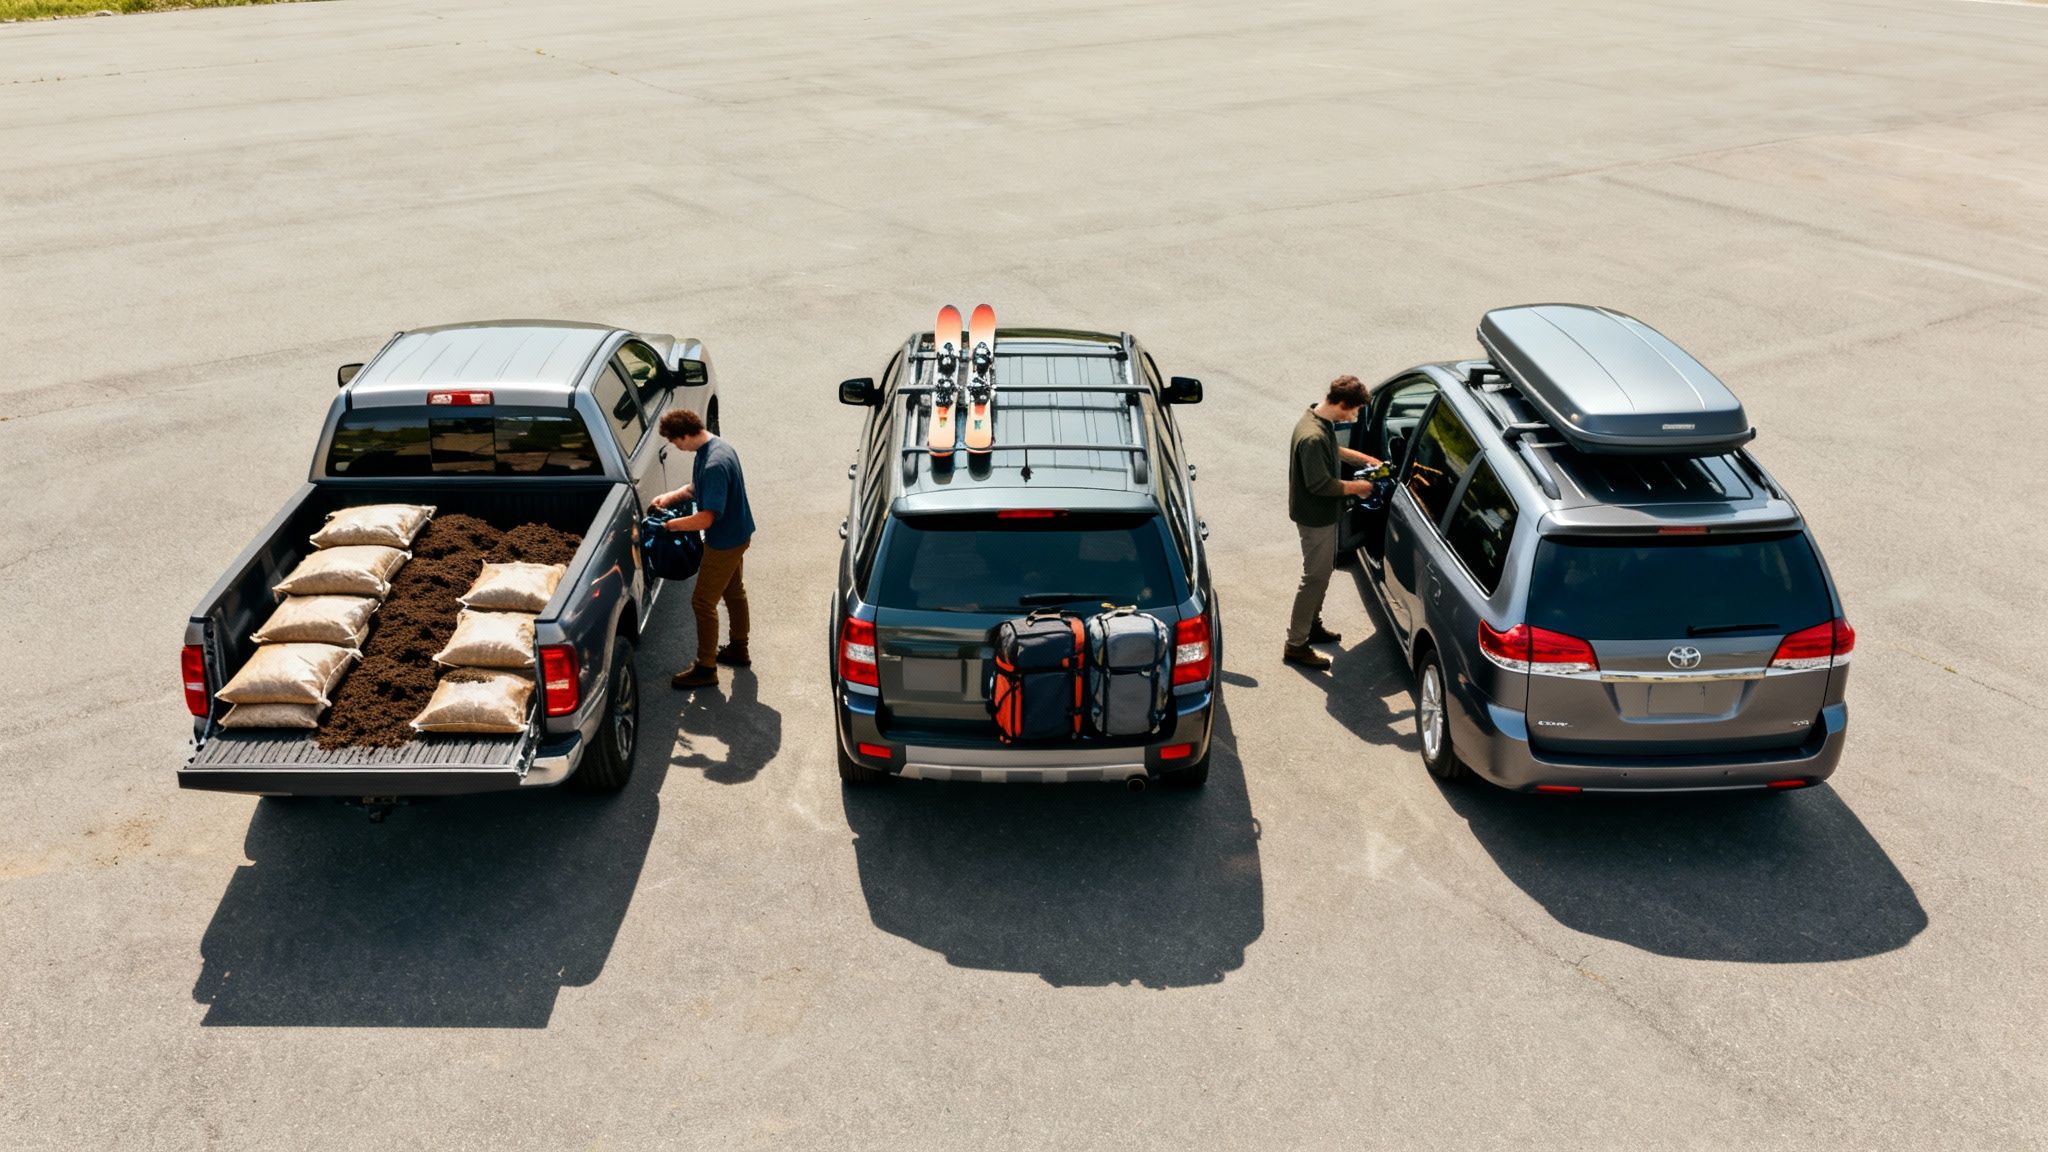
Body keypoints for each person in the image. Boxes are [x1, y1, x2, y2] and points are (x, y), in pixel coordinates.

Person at [652, 407, 756, 689]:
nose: (676, 447)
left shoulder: (713, 464)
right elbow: (697, 489)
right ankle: (739, 648)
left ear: (685, 435)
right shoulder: (716, 446)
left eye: (675, 442)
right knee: (734, 592)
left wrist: (670, 526)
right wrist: (669, 498)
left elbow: (706, 517)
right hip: (739, 532)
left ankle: (706, 667)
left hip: (724, 542)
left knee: (702, 602)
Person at [1285, 375, 1382, 671]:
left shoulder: (1318, 419)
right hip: (1316, 517)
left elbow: (1335, 450)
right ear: (1341, 403)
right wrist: (1360, 487)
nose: (1354, 418)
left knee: (1323, 572)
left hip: (1322, 515)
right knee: (1314, 577)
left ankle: (1311, 626)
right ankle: (1296, 644)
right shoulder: (1312, 437)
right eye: (1353, 412)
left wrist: (1365, 460)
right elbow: (1320, 484)